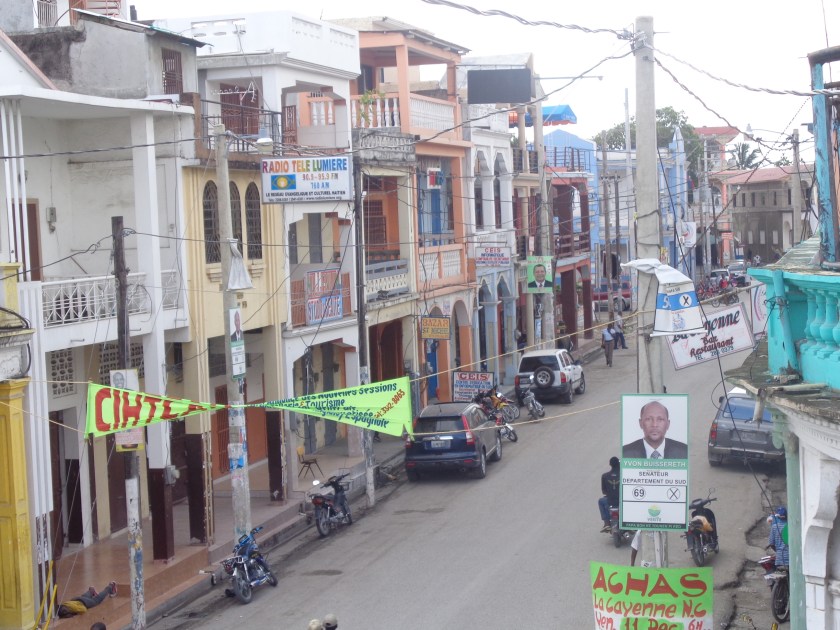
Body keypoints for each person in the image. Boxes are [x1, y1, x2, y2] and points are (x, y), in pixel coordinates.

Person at [622, 400, 688, 459]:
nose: (654, 425)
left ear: (668, 424)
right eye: (648, 419)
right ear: (640, 423)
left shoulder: (683, 452)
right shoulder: (626, 453)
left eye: (660, 419)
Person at [598, 456, 621, 533]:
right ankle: (631, 522)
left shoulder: (604, 476)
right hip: (622, 502)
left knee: (601, 501)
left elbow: (604, 491)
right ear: (619, 464)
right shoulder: (624, 475)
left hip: (610, 501)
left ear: (610, 464)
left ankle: (606, 523)